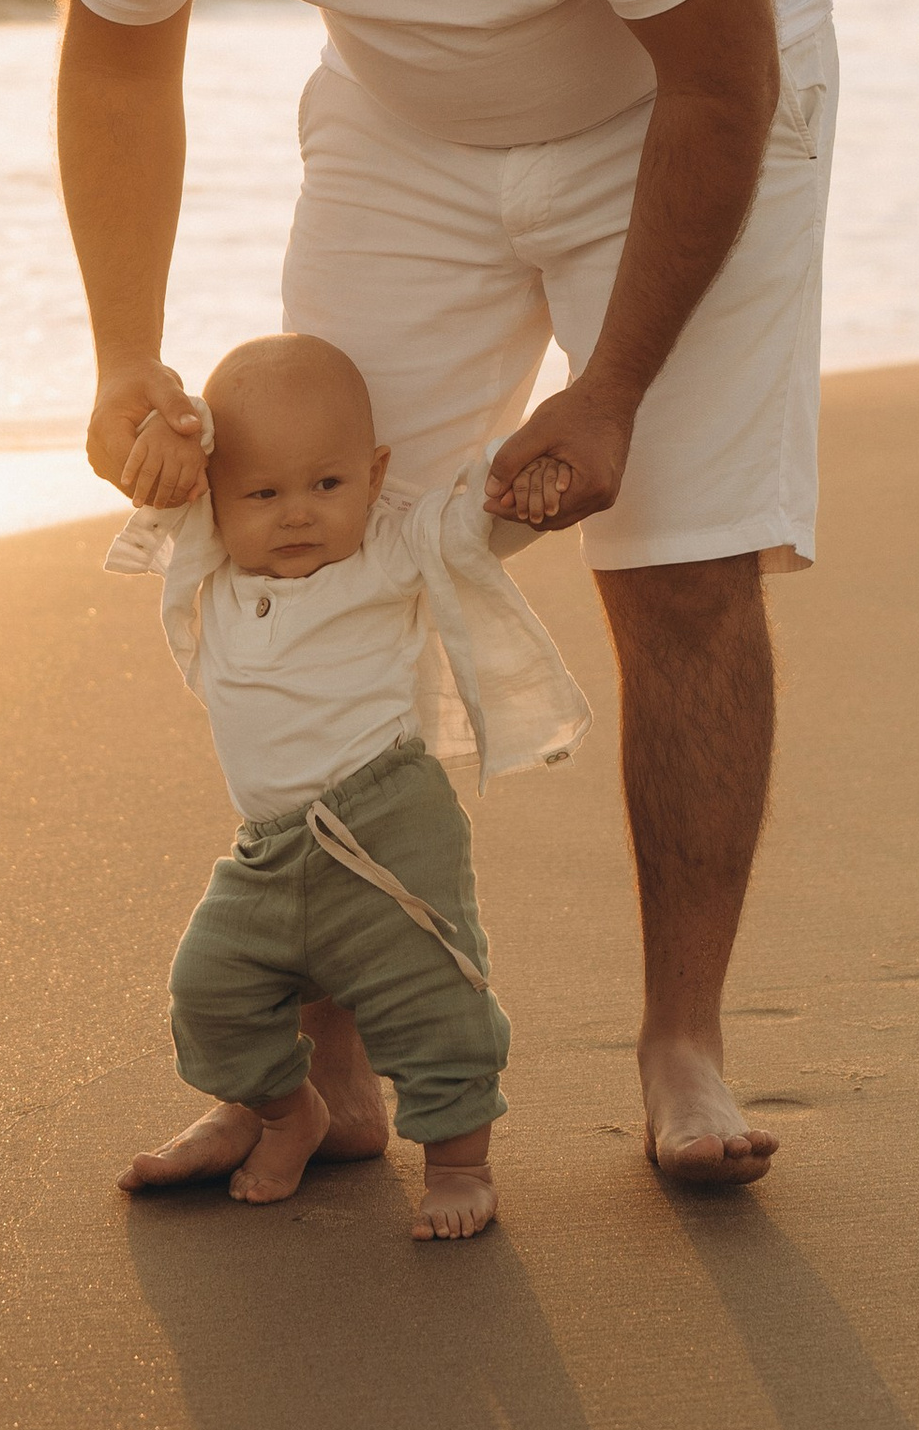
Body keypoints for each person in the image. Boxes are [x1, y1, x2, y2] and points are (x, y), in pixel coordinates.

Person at [58, 0, 838, 1187]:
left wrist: (613, 383)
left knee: (680, 563)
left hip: (677, 99)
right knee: (305, 537)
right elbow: (122, 59)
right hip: (406, 117)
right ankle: (324, 1077)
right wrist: (124, 354)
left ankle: (683, 1048)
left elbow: (720, 79)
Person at [111, 330, 589, 1241]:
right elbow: (159, 477)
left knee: (434, 1000)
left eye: (326, 485)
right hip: (267, 854)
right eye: (263, 493)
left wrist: (532, 488)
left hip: (386, 828)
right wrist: (171, 432)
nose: (297, 513)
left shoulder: (389, 548)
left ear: (373, 477)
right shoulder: (213, 560)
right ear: (215, 496)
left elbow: (477, 519)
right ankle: (291, 1112)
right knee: (208, 992)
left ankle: (460, 1166)